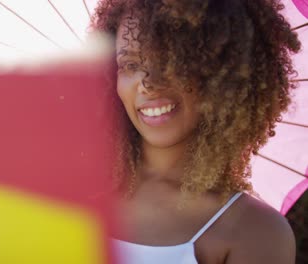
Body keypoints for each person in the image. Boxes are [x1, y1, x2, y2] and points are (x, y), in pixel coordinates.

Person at [92, 0, 301, 263]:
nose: (148, 84)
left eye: (172, 59)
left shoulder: (255, 231)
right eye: (130, 64)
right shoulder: (71, 186)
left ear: (226, 72)